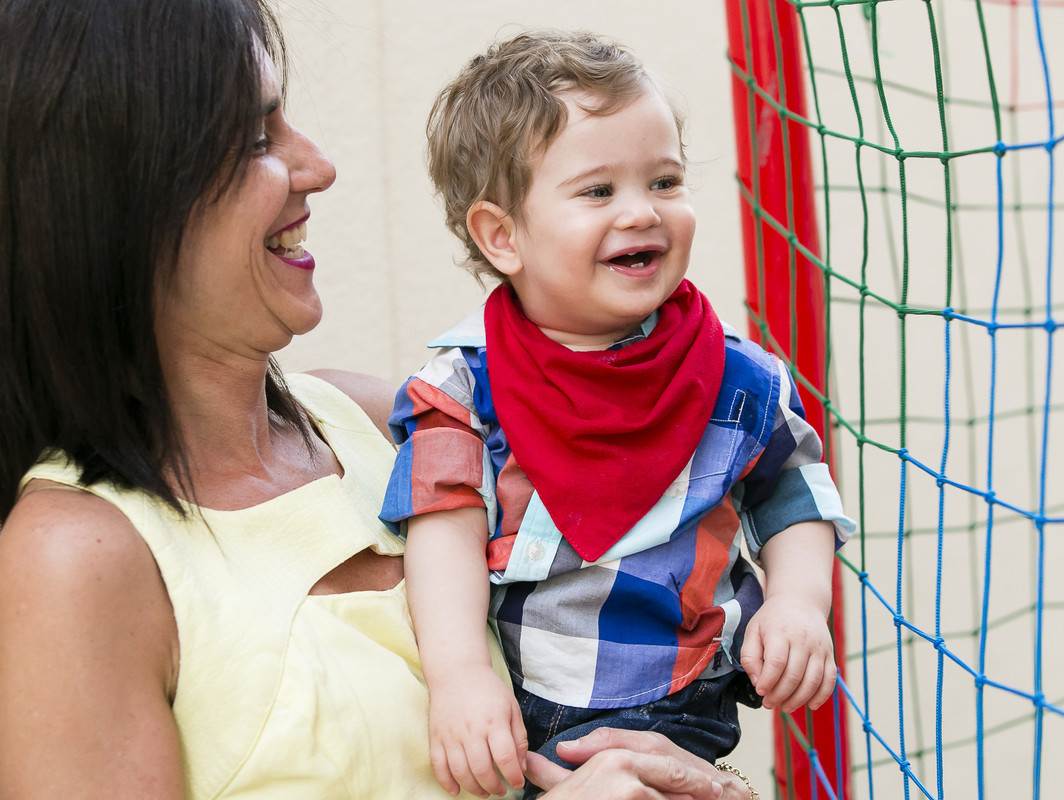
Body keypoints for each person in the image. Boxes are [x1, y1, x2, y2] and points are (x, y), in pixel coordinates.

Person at [0, 3, 752, 799]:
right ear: (117, 198)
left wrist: (708, 781)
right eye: (256, 139)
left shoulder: (387, 424)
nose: (319, 165)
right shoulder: (71, 562)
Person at [381, 29, 857, 800]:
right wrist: (460, 673)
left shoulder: (737, 379)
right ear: (502, 236)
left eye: (665, 181)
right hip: (513, 694)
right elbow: (444, 531)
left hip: (681, 701)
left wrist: (800, 603)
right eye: (598, 191)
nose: (641, 212)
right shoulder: (464, 388)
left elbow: (794, 496)